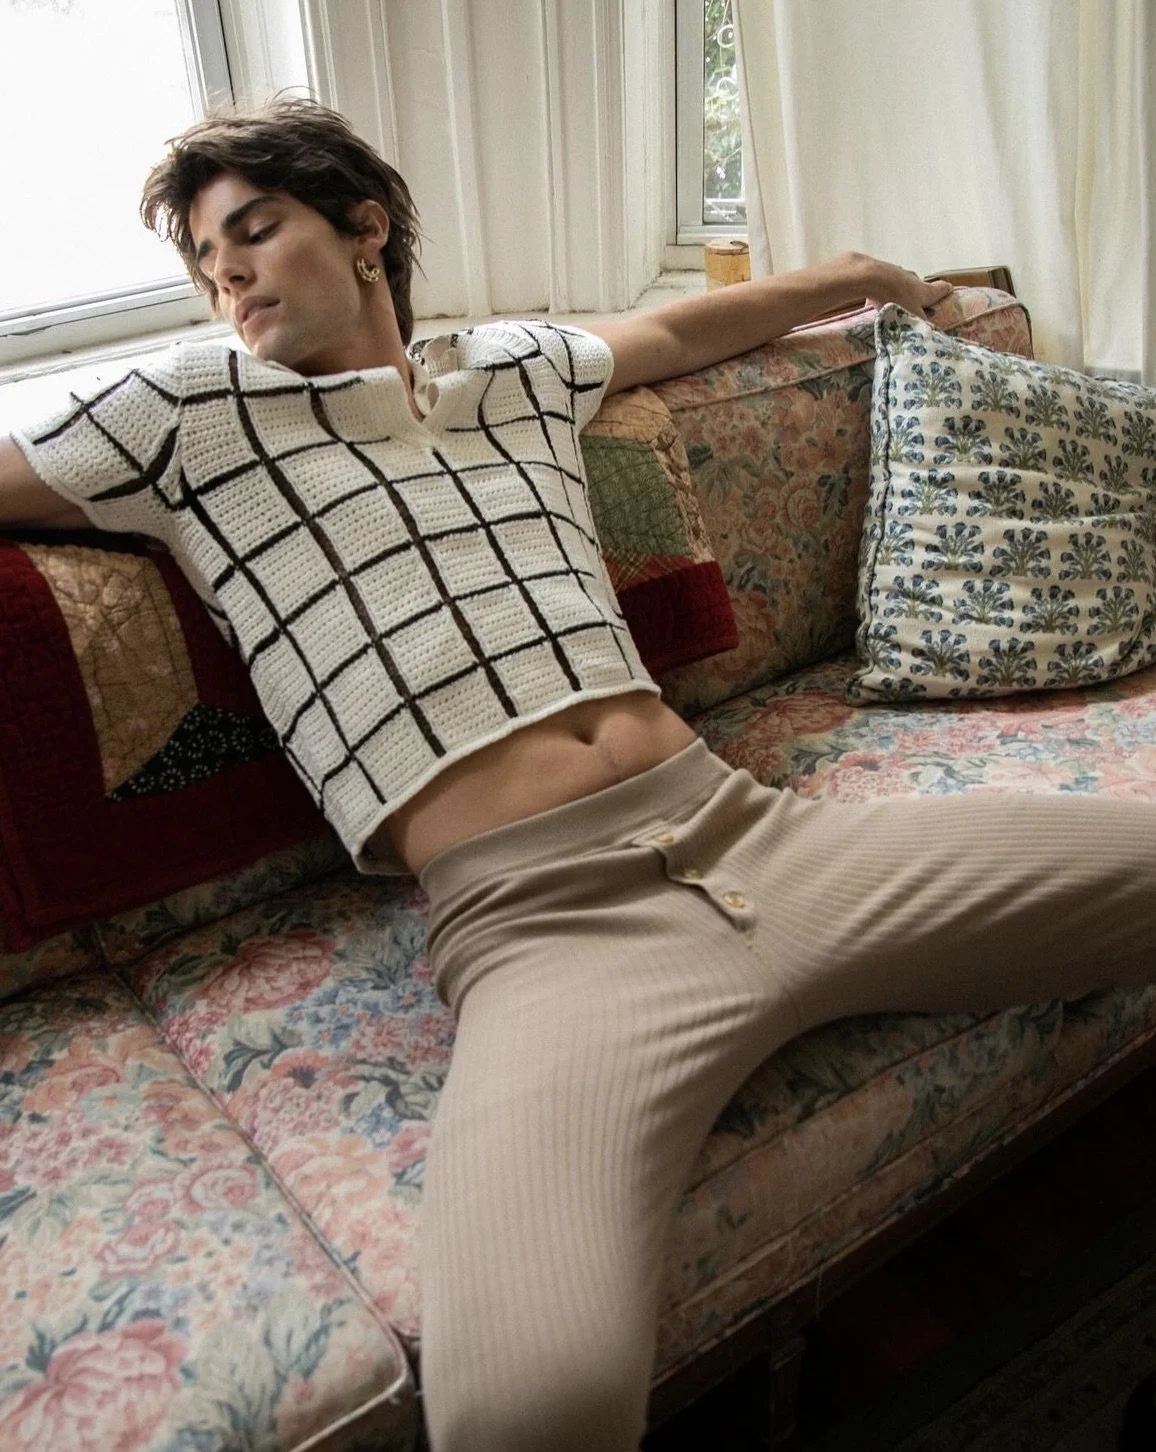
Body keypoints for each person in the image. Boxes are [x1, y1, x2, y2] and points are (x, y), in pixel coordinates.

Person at [1, 99, 1152, 1452]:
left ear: (365, 229)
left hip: (762, 840)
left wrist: (869, 278)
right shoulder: (180, 415)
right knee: (531, 1409)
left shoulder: (510, 370)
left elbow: (680, 332)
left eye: (254, 230)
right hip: (549, 937)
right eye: (206, 259)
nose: (228, 276)